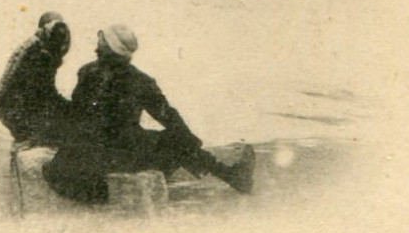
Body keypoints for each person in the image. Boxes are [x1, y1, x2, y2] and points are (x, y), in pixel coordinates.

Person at [42, 24, 255, 203]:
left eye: (101, 39)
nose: (97, 42)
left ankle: (229, 174)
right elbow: (167, 115)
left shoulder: (86, 72)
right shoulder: (140, 81)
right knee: (175, 139)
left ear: (106, 46)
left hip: (84, 151)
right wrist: (188, 140)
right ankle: (231, 175)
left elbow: (77, 112)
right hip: (122, 152)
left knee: (166, 138)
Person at [0, 12, 75, 147]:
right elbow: (41, 92)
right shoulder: (40, 54)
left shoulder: (34, 46)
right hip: (16, 110)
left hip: (9, 106)